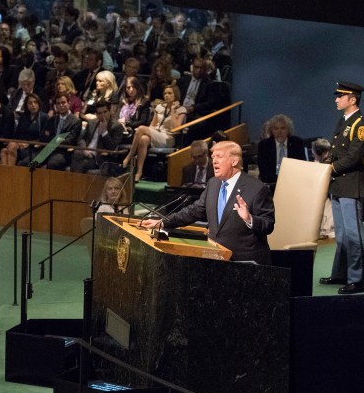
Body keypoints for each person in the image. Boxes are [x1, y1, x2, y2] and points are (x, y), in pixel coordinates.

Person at [143, 141, 275, 264]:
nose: (214, 161)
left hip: (245, 263)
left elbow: (268, 224)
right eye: (213, 157)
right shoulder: (213, 183)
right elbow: (194, 211)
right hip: (215, 259)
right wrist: (163, 222)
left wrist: (249, 219)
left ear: (234, 161)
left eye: (219, 156)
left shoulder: (257, 188)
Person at [320, 82, 364, 294]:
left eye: (340, 96)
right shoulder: (344, 120)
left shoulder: (360, 124)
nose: (336, 99)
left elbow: (353, 157)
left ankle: (356, 279)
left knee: (353, 234)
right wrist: (326, 165)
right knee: (341, 235)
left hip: (350, 184)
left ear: (352, 99)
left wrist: (330, 168)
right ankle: (341, 273)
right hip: (339, 184)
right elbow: (335, 150)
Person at [122, 84, 187, 182]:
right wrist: (148, 132)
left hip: (168, 138)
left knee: (141, 128)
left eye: (170, 93)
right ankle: (139, 172)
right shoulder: (159, 107)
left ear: (176, 95)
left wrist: (173, 110)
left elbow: (176, 129)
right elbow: (153, 124)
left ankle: (129, 156)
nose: (166, 95)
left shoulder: (181, 110)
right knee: (143, 139)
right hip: (156, 133)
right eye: (165, 93)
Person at [71, 100, 125, 173]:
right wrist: (84, 150)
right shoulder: (92, 122)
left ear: (109, 111)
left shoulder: (117, 126)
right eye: (99, 113)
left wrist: (104, 132)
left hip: (99, 158)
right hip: (86, 153)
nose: (102, 115)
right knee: (76, 153)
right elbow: (81, 138)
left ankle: (74, 179)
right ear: (96, 114)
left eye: (105, 112)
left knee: (78, 162)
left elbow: (112, 148)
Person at [257, 114, 306, 184]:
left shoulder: (297, 143)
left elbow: (302, 167)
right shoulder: (264, 145)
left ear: (288, 130)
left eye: (283, 128)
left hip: (293, 182)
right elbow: (264, 171)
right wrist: (280, 181)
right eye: (276, 128)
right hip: (272, 183)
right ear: (272, 131)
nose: (279, 132)